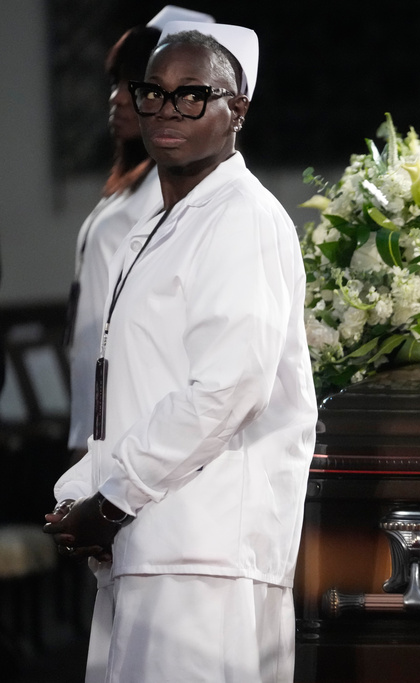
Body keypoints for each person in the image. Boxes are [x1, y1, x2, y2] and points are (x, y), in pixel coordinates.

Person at [43, 20, 318, 683]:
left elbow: (224, 389)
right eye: (154, 92)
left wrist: (109, 501)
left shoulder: (241, 218)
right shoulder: (157, 222)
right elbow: (135, 384)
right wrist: (82, 488)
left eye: (193, 94)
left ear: (237, 109)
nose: (168, 110)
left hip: (204, 551)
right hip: (149, 540)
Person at [65, 6, 214, 462]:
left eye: (135, 87)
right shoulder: (132, 185)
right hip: (93, 403)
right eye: (117, 84)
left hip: (130, 415)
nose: (120, 99)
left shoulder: (169, 190)